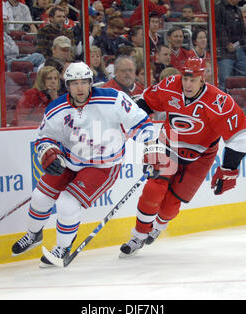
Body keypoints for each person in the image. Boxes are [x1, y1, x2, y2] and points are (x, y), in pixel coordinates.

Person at [11, 61, 155, 266]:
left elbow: (141, 122)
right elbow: (44, 137)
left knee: (67, 204)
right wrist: (50, 153)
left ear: (91, 83)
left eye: (84, 82)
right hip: (70, 160)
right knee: (40, 197)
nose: (80, 88)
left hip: (103, 166)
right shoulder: (56, 108)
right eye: (74, 83)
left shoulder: (113, 99)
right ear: (67, 85)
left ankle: (62, 247)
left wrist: (152, 149)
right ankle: (34, 234)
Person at [119, 57, 246, 257]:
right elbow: (145, 102)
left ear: (202, 79)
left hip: (201, 156)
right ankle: (138, 234)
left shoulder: (218, 101)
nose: (187, 84)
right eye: (185, 78)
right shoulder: (170, 85)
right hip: (168, 145)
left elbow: (239, 136)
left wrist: (229, 169)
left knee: (171, 204)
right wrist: (127, 123)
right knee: (154, 188)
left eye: (193, 80)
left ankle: (159, 225)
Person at [0, 7, 45, 71]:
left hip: (14, 59)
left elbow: (16, 49)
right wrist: (8, 47)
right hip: (3, 63)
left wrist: (4, 47)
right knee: (38, 57)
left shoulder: (0, 32)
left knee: (37, 69)